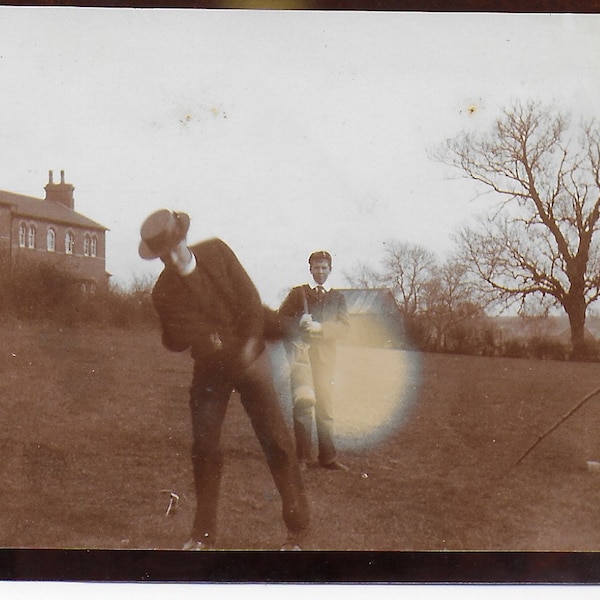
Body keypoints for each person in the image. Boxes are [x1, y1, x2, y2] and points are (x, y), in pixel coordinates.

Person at [138, 209, 309, 551]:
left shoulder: (217, 251)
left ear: (184, 238)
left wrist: (236, 347)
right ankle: (203, 537)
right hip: (210, 370)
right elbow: (181, 338)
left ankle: (298, 530)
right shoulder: (163, 292)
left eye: (176, 247)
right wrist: (204, 338)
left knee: (276, 442)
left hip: (251, 357)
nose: (173, 257)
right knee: (204, 449)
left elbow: (249, 304)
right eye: (164, 254)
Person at [278, 250, 350, 472]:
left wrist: (323, 328)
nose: (320, 271)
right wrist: (299, 322)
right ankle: (302, 458)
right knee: (303, 405)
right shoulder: (298, 294)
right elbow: (279, 320)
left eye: (324, 268)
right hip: (302, 358)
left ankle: (328, 457)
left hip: (326, 360)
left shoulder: (338, 298)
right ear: (310, 269)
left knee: (325, 407)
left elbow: (345, 328)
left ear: (330, 270)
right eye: (316, 267)